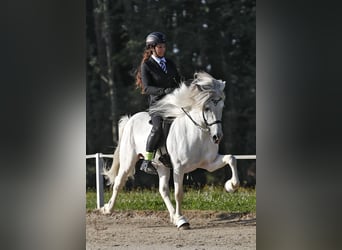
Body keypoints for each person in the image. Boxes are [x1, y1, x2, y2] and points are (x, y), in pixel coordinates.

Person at [135, 31, 181, 175]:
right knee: (157, 129)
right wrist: (164, 91)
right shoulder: (147, 65)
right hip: (157, 105)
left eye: (164, 47)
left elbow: (178, 81)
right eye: (160, 47)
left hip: (172, 103)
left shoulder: (170, 63)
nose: (163, 49)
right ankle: (146, 161)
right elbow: (147, 88)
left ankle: (168, 154)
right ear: (152, 48)